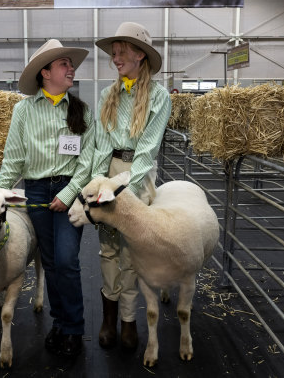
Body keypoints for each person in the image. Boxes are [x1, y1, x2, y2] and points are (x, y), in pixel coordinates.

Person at [0, 39, 94, 357]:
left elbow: (88, 161)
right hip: (36, 192)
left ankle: (75, 328)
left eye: (70, 64)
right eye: (64, 64)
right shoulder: (22, 111)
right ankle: (60, 323)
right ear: (45, 73)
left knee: (67, 261)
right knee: (51, 263)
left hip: (69, 190)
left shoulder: (81, 110)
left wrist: (68, 194)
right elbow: (13, 158)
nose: (71, 68)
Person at [91, 22, 171, 349]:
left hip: (137, 175)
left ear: (140, 55)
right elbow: (100, 144)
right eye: (114, 53)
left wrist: (121, 190)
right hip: (110, 168)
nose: (115, 57)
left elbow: (148, 150)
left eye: (121, 51)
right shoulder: (105, 95)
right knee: (108, 246)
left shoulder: (159, 97)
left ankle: (128, 320)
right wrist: (99, 184)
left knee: (132, 249)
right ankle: (109, 318)